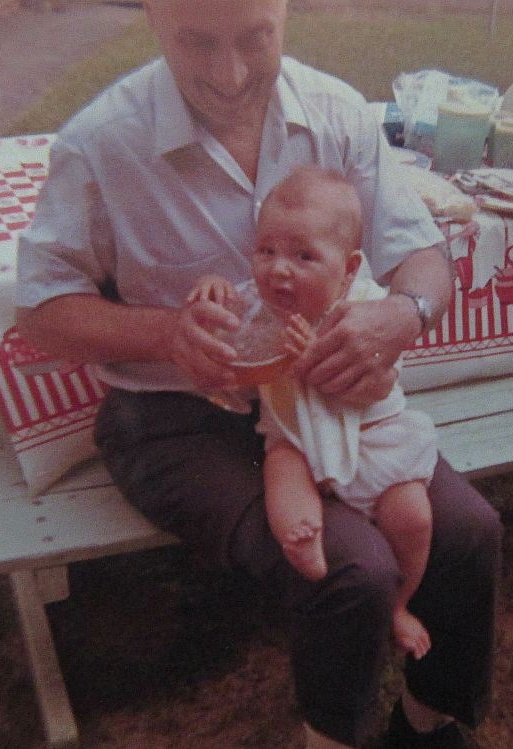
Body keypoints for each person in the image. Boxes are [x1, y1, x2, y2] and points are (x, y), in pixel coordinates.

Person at [15, 1, 503, 747]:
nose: (231, 74)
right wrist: (167, 332)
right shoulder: (101, 142)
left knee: (467, 531)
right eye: (196, 42)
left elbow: (422, 254)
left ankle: (428, 722)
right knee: (352, 568)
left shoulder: (336, 113)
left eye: (255, 39)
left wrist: (403, 313)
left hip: (318, 397)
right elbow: (41, 313)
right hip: (174, 420)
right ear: (153, 20)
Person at [188, 166, 439, 661]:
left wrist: (314, 359)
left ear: (348, 268)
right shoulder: (261, 307)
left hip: (373, 441)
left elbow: (379, 385)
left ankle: (400, 603)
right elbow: (234, 351)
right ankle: (302, 538)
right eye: (267, 251)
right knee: (281, 468)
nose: (279, 270)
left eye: (304, 256)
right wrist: (215, 291)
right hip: (296, 440)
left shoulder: (365, 310)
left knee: (413, 518)